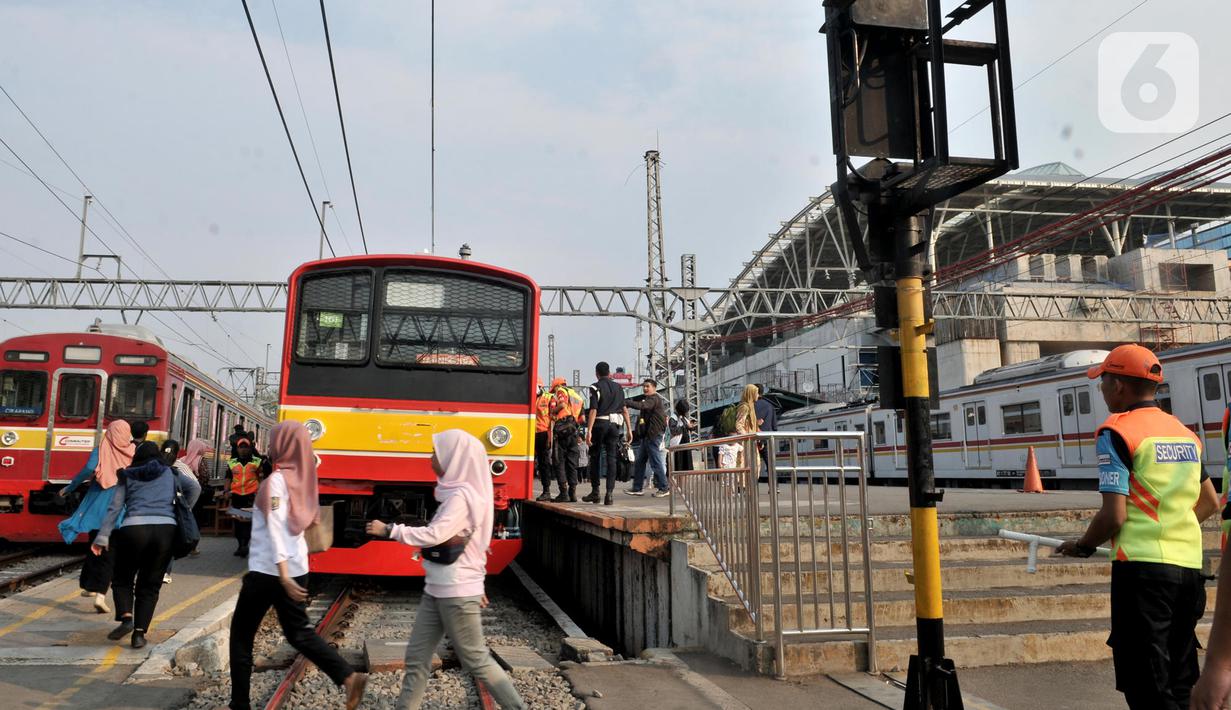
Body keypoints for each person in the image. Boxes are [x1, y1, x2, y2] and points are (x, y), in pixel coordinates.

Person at [1056, 344, 1219, 709]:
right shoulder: (1183, 434)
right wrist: (1171, 532)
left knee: (1146, 684)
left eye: (1103, 382)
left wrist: (1082, 545)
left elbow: (1114, 516)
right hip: (1190, 571)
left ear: (1118, 386)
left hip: (1143, 575)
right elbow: (1209, 501)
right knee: (1181, 679)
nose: (1100, 390)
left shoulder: (1116, 432)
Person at [366, 430, 528, 710]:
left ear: (454, 458)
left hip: (455, 592)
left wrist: (390, 529)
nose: (431, 458)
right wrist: (479, 583)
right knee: (417, 658)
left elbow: (435, 534)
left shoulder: (461, 498)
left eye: (436, 453)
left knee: (476, 659)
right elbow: (476, 545)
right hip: (438, 589)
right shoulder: (460, 492)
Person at [228, 421, 367, 710]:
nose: (270, 444)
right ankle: (348, 676)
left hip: (270, 571)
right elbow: (290, 521)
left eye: (275, 439)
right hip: (298, 565)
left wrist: (282, 574)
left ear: (284, 444)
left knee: (241, 638)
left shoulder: (277, 481)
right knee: (299, 633)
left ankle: (239, 704)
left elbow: (278, 526)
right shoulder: (304, 477)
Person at [92, 441, 195, 649]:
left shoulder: (127, 474)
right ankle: (139, 634)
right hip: (165, 532)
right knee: (150, 584)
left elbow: (115, 508)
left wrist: (102, 537)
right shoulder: (170, 473)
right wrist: (188, 510)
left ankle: (126, 617)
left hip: (133, 531)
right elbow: (195, 487)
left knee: (122, 578)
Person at [57, 420, 136, 614]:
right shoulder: (134, 451)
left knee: (95, 543)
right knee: (112, 550)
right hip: (122, 505)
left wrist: (70, 487)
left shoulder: (101, 449)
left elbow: (87, 469)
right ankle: (100, 593)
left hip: (98, 503)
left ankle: (92, 586)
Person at [584, 362, 631, 506]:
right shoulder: (618, 388)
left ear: (597, 373)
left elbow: (593, 410)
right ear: (609, 372)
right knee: (612, 459)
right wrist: (629, 429)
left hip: (600, 424)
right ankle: (609, 495)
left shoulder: (595, 387)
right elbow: (624, 409)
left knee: (595, 456)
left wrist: (589, 430)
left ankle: (595, 492)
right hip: (615, 425)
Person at [158, 439, 203, 583]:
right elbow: (195, 487)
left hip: (144, 513)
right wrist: (185, 508)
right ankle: (164, 572)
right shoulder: (176, 470)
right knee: (169, 542)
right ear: (177, 454)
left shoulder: (148, 466)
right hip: (170, 512)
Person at [624, 378, 671, 498]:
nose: (645, 388)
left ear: (654, 388)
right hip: (647, 437)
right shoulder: (649, 399)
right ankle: (637, 488)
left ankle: (664, 487)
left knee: (655, 462)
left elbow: (643, 406)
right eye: (644, 386)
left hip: (653, 436)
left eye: (647, 386)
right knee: (640, 462)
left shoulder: (654, 399)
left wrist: (628, 402)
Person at [225, 436, 264, 557]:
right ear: (237, 449)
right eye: (240, 447)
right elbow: (228, 478)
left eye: (245, 447)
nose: (243, 450)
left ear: (250, 448)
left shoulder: (257, 462)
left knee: (247, 522)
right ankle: (240, 545)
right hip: (236, 496)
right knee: (237, 522)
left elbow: (261, 477)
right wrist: (226, 491)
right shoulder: (232, 462)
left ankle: (244, 545)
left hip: (251, 496)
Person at [548, 377, 585, 502]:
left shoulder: (561, 390)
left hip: (561, 429)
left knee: (559, 461)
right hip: (573, 431)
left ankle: (563, 493)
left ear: (557, 385)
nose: (555, 393)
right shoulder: (578, 397)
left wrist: (554, 412)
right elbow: (582, 419)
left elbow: (562, 404)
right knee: (572, 463)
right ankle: (572, 493)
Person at [533, 381, 555, 502]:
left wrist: (550, 436)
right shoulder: (530, 396)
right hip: (530, 432)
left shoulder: (549, 398)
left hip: (543, 433)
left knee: (543, 463)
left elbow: (552, 417)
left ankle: (546, 491)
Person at [755, 384, 779, 478]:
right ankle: (774, 486)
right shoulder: (770, 405)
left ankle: (749, 487)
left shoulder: (750, 405)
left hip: (753, 438)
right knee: (770, 463)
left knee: (751, 464)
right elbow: (774, 426)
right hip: (767, 438)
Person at [669, 399, 697, 473]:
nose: (686, 412)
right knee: (679, 468)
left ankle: (681, 484)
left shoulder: (683, 418)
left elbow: (687, 427)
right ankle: (677, 484)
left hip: (685, 445)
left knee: (685, 469)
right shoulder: (673, 418)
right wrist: (685, 426)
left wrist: (691, 427)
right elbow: (673, 430)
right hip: (678, 446)